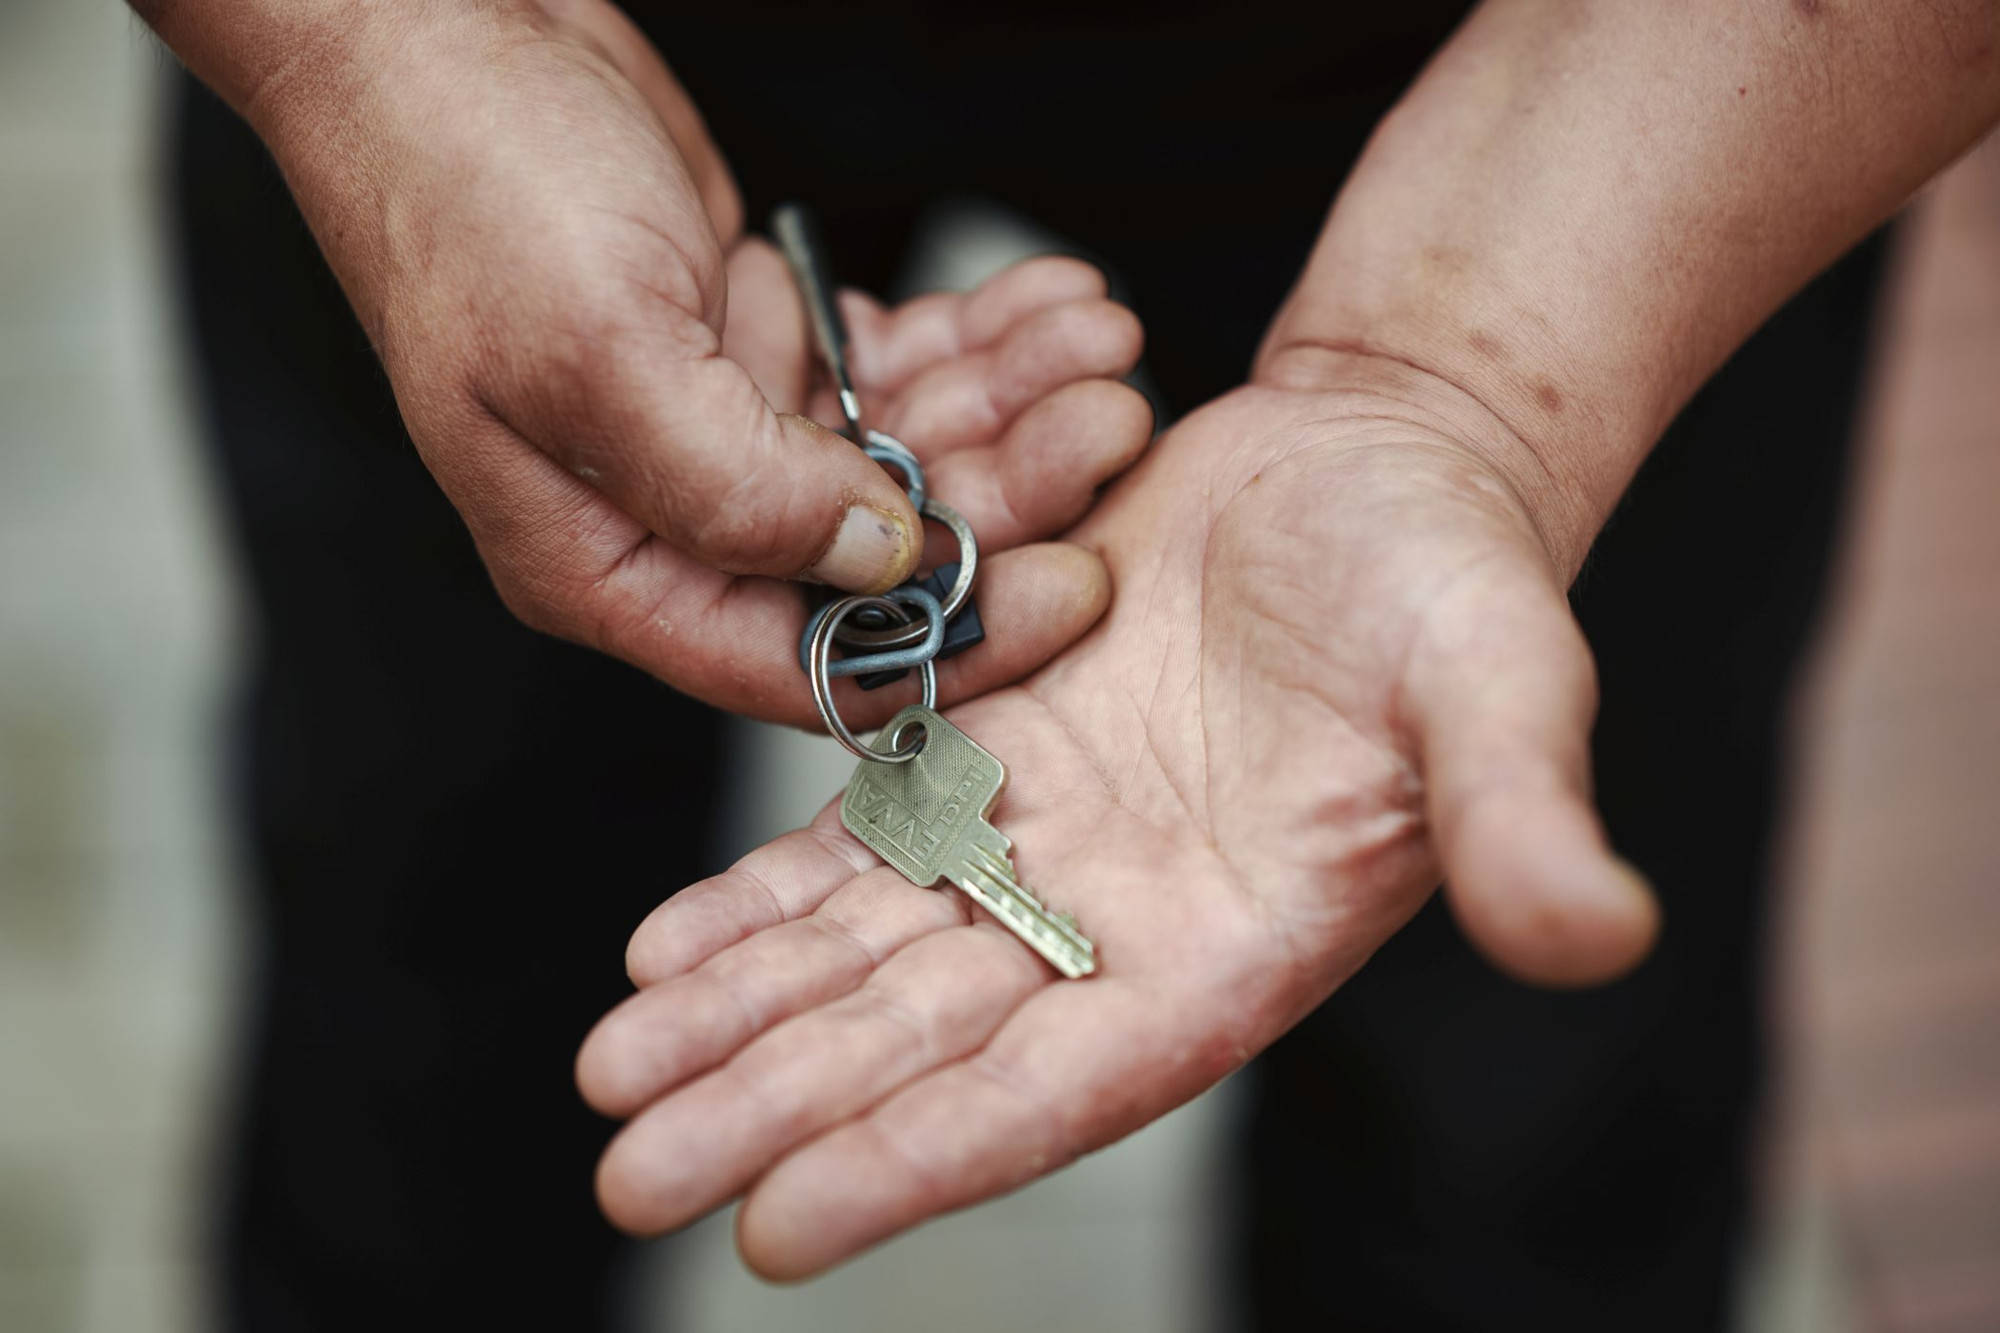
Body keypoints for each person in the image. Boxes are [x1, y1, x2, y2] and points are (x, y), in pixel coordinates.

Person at [137, 0, 1996, 1328]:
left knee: (1512, 1131)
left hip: (1600, 111)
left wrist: (1476, 394)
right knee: (436, 953)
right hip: (521, 52)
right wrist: (370, 47)